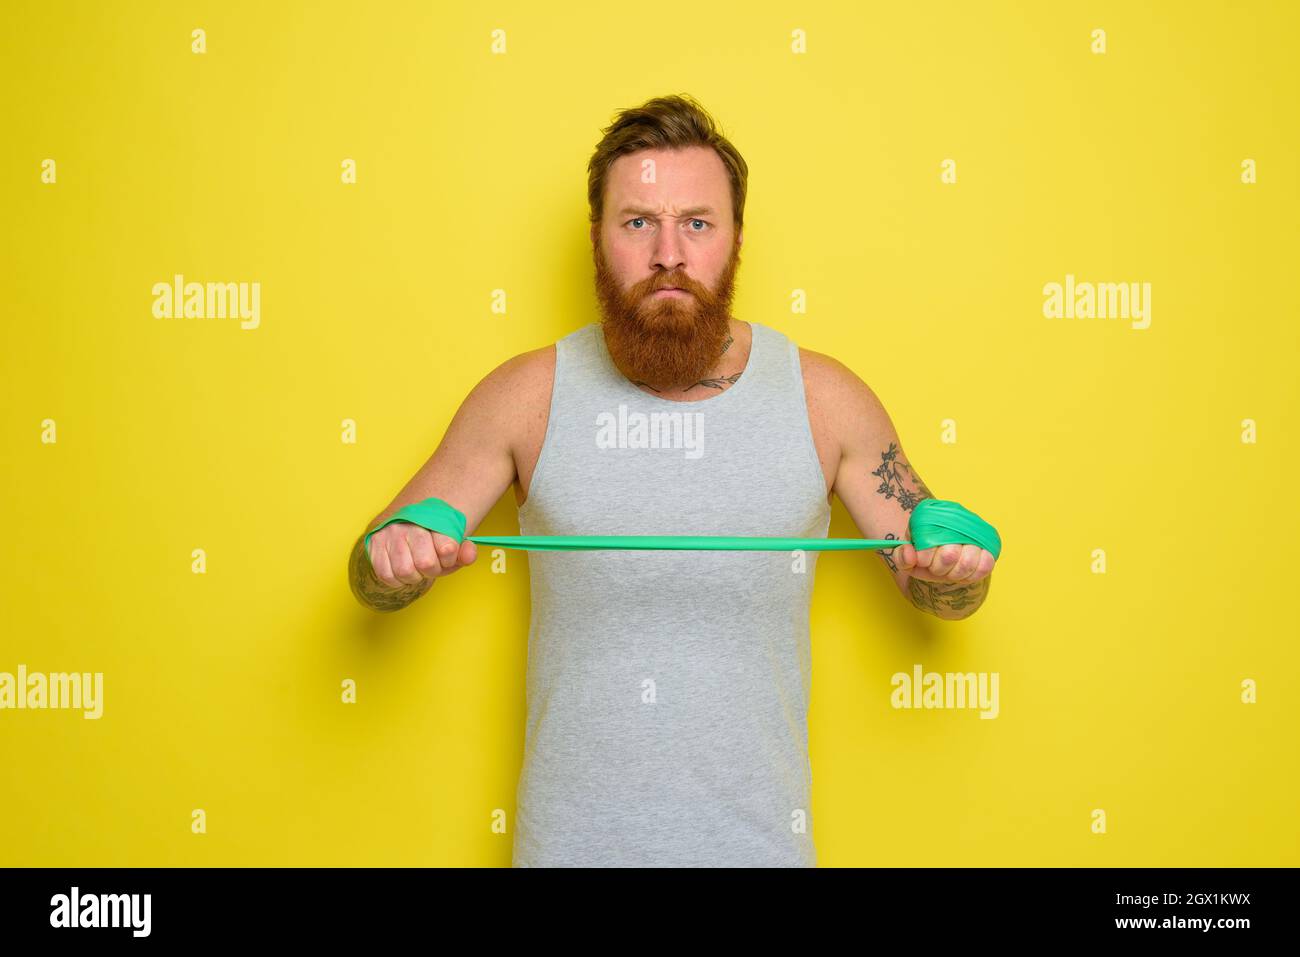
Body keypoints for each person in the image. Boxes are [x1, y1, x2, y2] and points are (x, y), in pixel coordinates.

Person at [347, 94, 997, 866]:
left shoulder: (825, 401)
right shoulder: (527, 395)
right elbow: (372, 567)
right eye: (636, 223)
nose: (669, 254)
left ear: (736, 241)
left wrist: (954, 568)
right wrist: (394, 559)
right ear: (597, 241)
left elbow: (944, 588)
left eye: (697, 222)